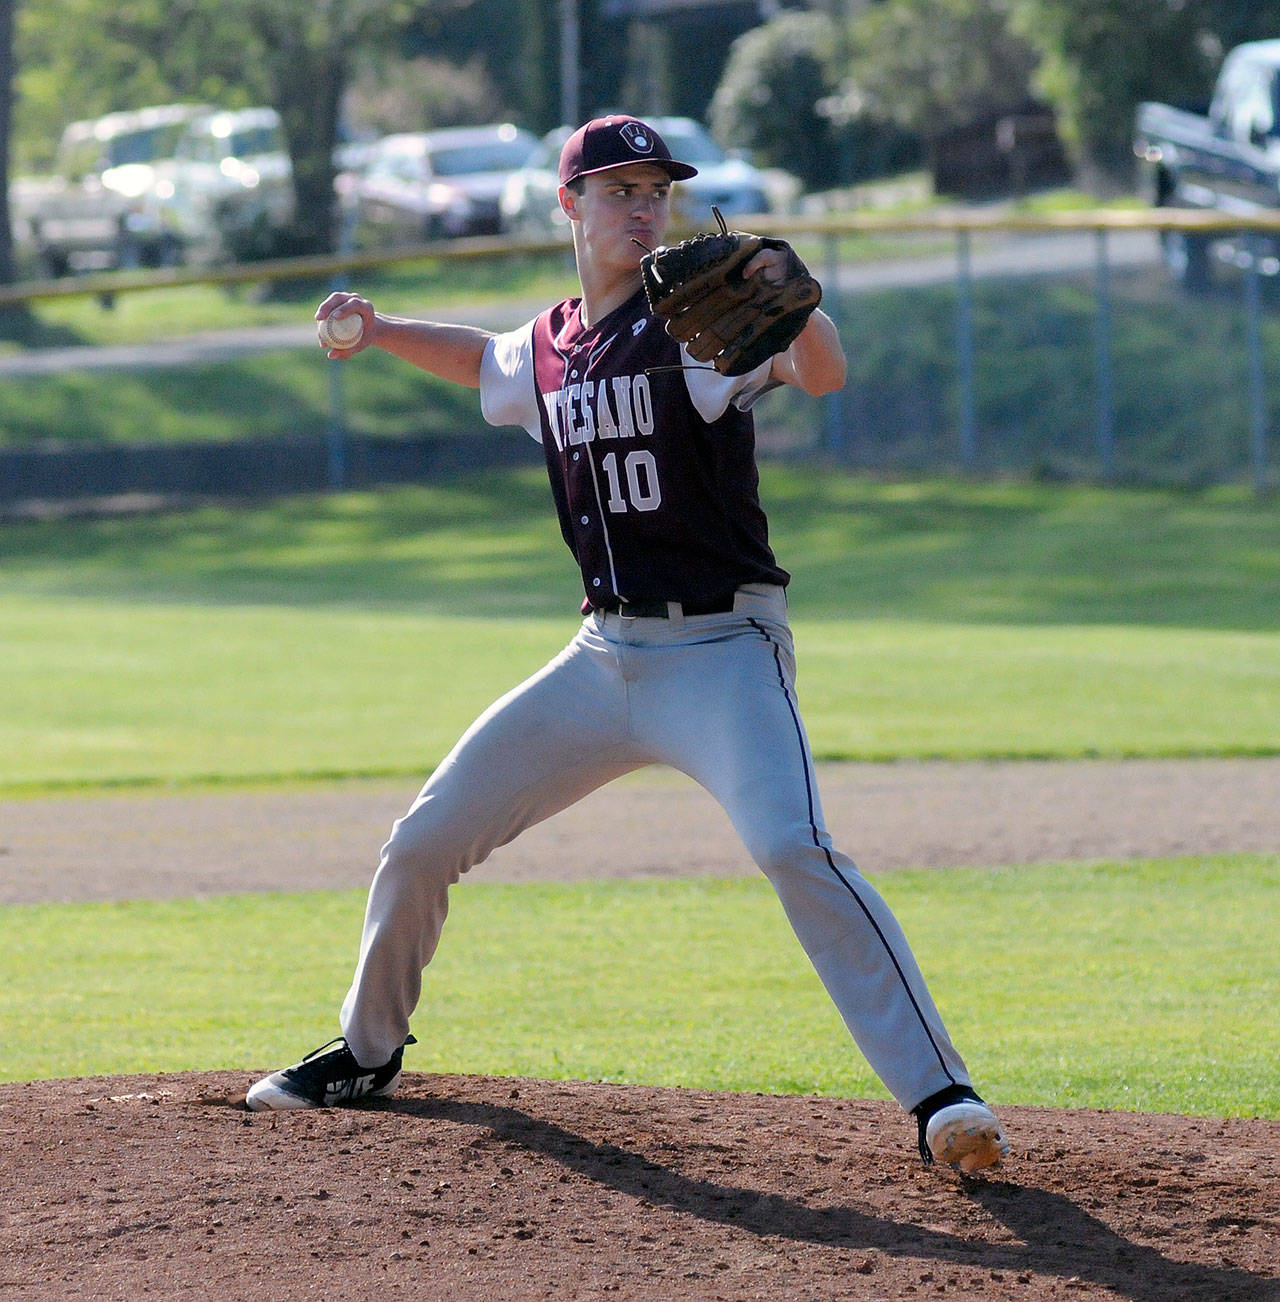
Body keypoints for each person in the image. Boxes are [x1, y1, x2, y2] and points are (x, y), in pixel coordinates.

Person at [246, 115, 1009, 1173]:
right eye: (616, 191)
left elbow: (819, 375)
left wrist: (806, 302)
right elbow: (484, 361)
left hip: (722, 653)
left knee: (792, 847)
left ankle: (940, 1095)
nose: (641, 208)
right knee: (424, 838)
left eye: (655, 190)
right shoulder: (550, 346)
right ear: (569, 205)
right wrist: (376, 331)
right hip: (599, 662)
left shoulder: (693, 328)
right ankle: (367, 1052)